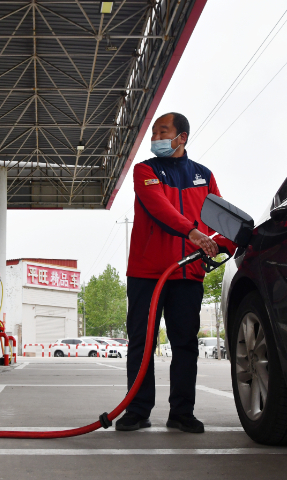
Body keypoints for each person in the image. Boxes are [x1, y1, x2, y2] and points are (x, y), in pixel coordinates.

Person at [115, 112, 237, 433]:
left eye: (163, 131)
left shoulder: (203, 176)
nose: (156, 137)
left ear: (181, 137)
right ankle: (138, 410)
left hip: (187, 274)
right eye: (154, 132)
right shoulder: (146, 171)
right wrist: (194, 233)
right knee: (141, 342)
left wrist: (237, 241)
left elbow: (220, 217)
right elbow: (159, 208)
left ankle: (182, 413)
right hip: (147, 273)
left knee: (185, 344)